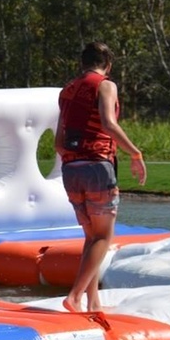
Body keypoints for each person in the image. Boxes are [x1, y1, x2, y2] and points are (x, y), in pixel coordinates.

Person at [55, 41, 147, 313]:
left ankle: (92, 302)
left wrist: (75, 159)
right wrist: (135, 153)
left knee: (90, 237)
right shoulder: (105, 85)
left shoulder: (67, 91)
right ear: (107, 65)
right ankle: (74, 296)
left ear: (82, 64)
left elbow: (59, 141)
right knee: (103, 237)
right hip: (97, 166)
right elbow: (108, 122)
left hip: (71, 169)